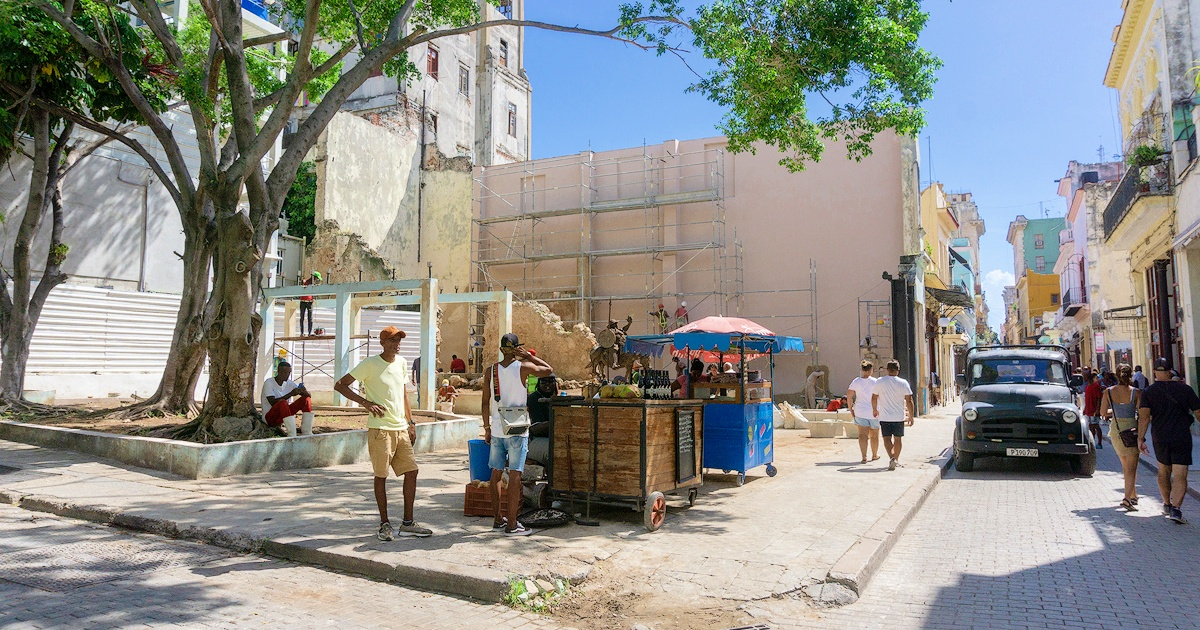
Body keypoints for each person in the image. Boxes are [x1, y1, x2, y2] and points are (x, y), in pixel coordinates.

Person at [334, 326, 432, 541]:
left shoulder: (402, 363)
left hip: (401, 428)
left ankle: (408, 523)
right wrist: (366, 403)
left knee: (412, 472)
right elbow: (340, 385)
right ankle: (384, 524)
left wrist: (411, 422)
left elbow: (404, 394)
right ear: (382, 343)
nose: (396, 344)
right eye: (391, 340)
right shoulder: (370, 364)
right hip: (380, 430)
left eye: (399, 340)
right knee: (381, 476)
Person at [482, 333, 553, 536]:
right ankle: (512, 524)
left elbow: (485, 401)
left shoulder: (491, 370)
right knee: (515, 475)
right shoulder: (523, 367)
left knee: (496, 473)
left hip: (497, 427)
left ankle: (497, 519)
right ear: (516, 348)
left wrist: (486, 427)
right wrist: (529, 356)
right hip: (517, 427)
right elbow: (549, 370)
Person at [1138, 358, 1200, 524]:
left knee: (1163, 470)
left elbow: (1144, 417)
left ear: (1155, 372)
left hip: (1160, 437)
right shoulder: (1185, 389)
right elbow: (1198, 412)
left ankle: (1166, 503)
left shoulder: (1148, 391)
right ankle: (1176, 509)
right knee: (1180, 474)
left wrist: (1140, 438)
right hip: (1181, 437)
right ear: (1170, 371)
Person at [1102, 364, 1141, 511]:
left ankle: (1133, 495)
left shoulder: (1108, 392)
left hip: (1116, 430)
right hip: (1131, 430)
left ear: (1117, 375)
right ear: (1130, 375)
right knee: (1132, 467)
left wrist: (1117, 410)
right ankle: (1126, 499)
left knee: (1126, 466)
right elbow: (1142, 412)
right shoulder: (1136, 392)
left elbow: (1103, 412)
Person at [872, 359, 914, 471]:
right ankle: (896, 459)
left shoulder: (879, 381)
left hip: (884, 416)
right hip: (898, 416)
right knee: (898, 439)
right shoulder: (903, 383)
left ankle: (892, 458)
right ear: (898, 370)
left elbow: (874, 397)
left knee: (886, 439)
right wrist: (911, 415)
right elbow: (909, 400)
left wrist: (875, 409)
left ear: (887, 370)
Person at [261, 361, 313, 437]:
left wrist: (304, 391)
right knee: (283, 402)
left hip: (284, 416)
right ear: (279, 371)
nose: (287, 375)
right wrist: (290, 394)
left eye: (289, 372)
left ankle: (306, 431)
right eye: (285, 372)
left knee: (306, 399)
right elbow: (272, 402)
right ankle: (292, 433)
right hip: (270, 417)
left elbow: (308, 396)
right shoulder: (269, 383)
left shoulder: (290, 383)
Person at [848, 360, 880, 464]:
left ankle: (864, 456)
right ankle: (874, 455)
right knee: (874, 434)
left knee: (862, 435)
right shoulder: (876, 382)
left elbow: (849, 396)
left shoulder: (856, 381)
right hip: (874, 411)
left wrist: (850, 408)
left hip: (860, 411)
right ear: (871, 370)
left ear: (862, 370)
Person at [1083, 372, 1105, 450]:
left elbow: (1099, 398)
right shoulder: (1088, 386)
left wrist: (1098, 409)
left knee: (1096, 426)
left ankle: (1099, 443)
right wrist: (1085, 409)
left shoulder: (1095, 386)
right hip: (1088, 410)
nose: (1098, 379)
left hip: (1094, 410)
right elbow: (1087, 399)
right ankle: (1092, 442)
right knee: (1090, 427)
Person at [299, 271, 321, 336]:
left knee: (310, 318)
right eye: (317, 279)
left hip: (310, 302)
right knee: (302, 317)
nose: (317, 280)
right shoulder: (305, 282)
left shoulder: (314, 285)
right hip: (303, 301)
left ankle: (309, 332)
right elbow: (303, 286)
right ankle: (302, 333)